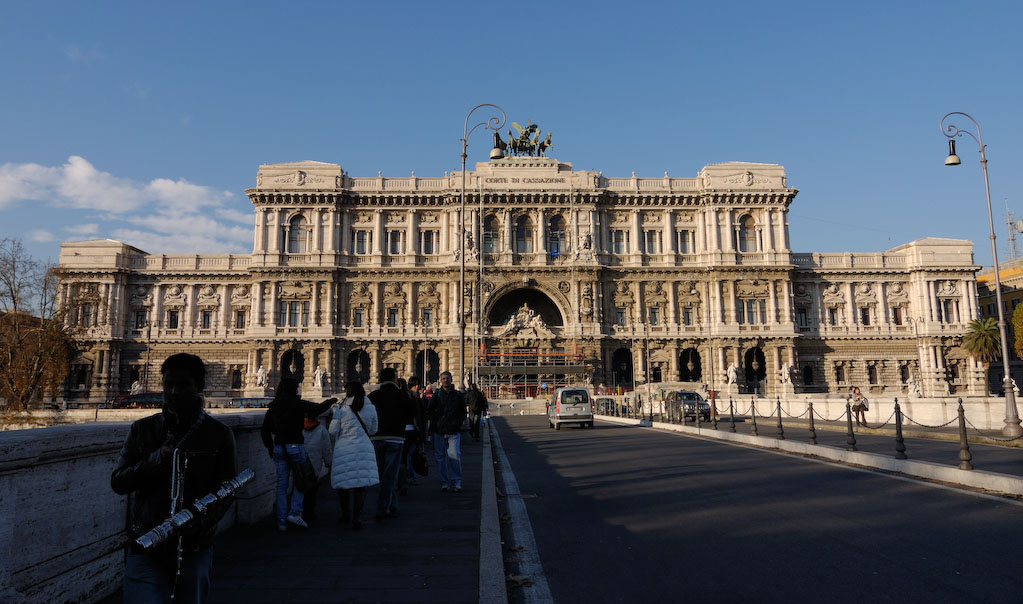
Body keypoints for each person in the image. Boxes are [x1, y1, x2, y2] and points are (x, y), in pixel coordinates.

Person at [111, 353, 237, 604]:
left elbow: (226, 491)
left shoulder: (218, 434)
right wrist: (157, 459)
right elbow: (119, 482)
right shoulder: (142, 430)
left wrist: (199, 524)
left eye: (183, 385)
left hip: (194, 545)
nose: (174, 392)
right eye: (169, 385)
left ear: (199, 387)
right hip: (147, 542)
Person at [260, 378, 336, 531]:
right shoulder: (297, 403)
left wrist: (270, 448)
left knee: (281, 486)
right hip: (295, 446)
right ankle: (295, 513)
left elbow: (264, 431)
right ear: (295, 389)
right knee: (301, 480)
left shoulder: (273, 406)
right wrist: (331, 401)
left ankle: (281, 521)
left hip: (279, 447)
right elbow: (317, 409)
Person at [328, 381, 379, 529]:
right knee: (360, 486)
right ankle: (357, 517)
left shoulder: (341, 408)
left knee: (344, 484)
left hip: (344, 449)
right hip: (363, 447)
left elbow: (332, 431)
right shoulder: (370, 407)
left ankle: (345, 514)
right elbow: (374, 429)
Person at [368, 367, 416, 519]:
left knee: (384, 474)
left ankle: (392, 503)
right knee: (390, 475)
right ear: (394, 379)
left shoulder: (372, 396)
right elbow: (412, 414)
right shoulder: (401, 395)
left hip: (376, 439)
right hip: (395, 438)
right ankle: (383, 508)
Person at [427, 371, 466, 492]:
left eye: (447, 378)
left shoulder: (458, 395)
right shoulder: (437, 395)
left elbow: (462, 412)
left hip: (453, 430)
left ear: (451, 379)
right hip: (439, 431)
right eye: (443, 379)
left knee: (454, 456)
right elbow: (430, 411)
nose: (445, 380)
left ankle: (456, 481)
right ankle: (445, 482)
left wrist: (458, 423)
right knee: (440, 458)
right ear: (440, 380)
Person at [301, 410, 333, 523]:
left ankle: (300, 510)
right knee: (313, 488)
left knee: (301, 487)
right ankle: (310, 511)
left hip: (302, 462)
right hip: (315, 464)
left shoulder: (300, 428)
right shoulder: (321, 430)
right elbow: (326, 449)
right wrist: (329, 462)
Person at [400, 376, 427, 492]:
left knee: (404, 456)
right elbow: (417, 416)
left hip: (402, 430)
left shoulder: (404, 395)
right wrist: (421, 432)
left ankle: (404, 479)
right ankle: (410, 477)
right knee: (411, 455)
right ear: (416, 386)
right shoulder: (414, 396)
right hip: (412, 431)